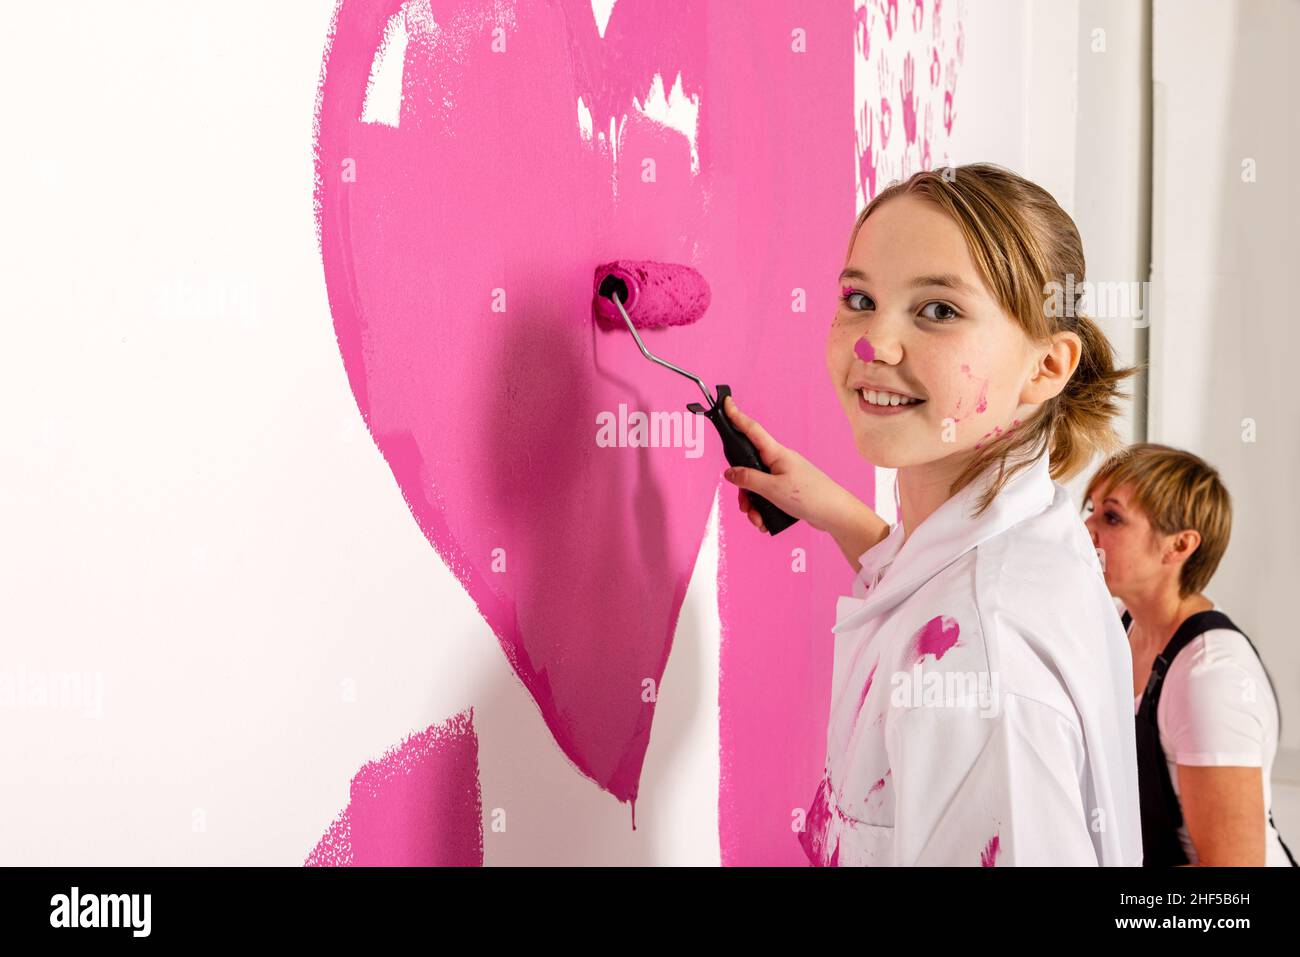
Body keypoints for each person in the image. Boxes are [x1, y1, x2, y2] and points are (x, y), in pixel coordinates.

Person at [721, 162, 1142, 865]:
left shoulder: (981, 671)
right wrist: (836, 514)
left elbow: (964, 619)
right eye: (859, 298)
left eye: (938, 311)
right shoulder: (1028, 530)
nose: (872, 344)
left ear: (1045, 366)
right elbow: (939, 580)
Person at [1083, 443, 1297, 866]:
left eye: (1111, 517)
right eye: (1089, 509)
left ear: (1179, 546)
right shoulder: (1120, 622)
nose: (1086, 528)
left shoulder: (1210, 676)